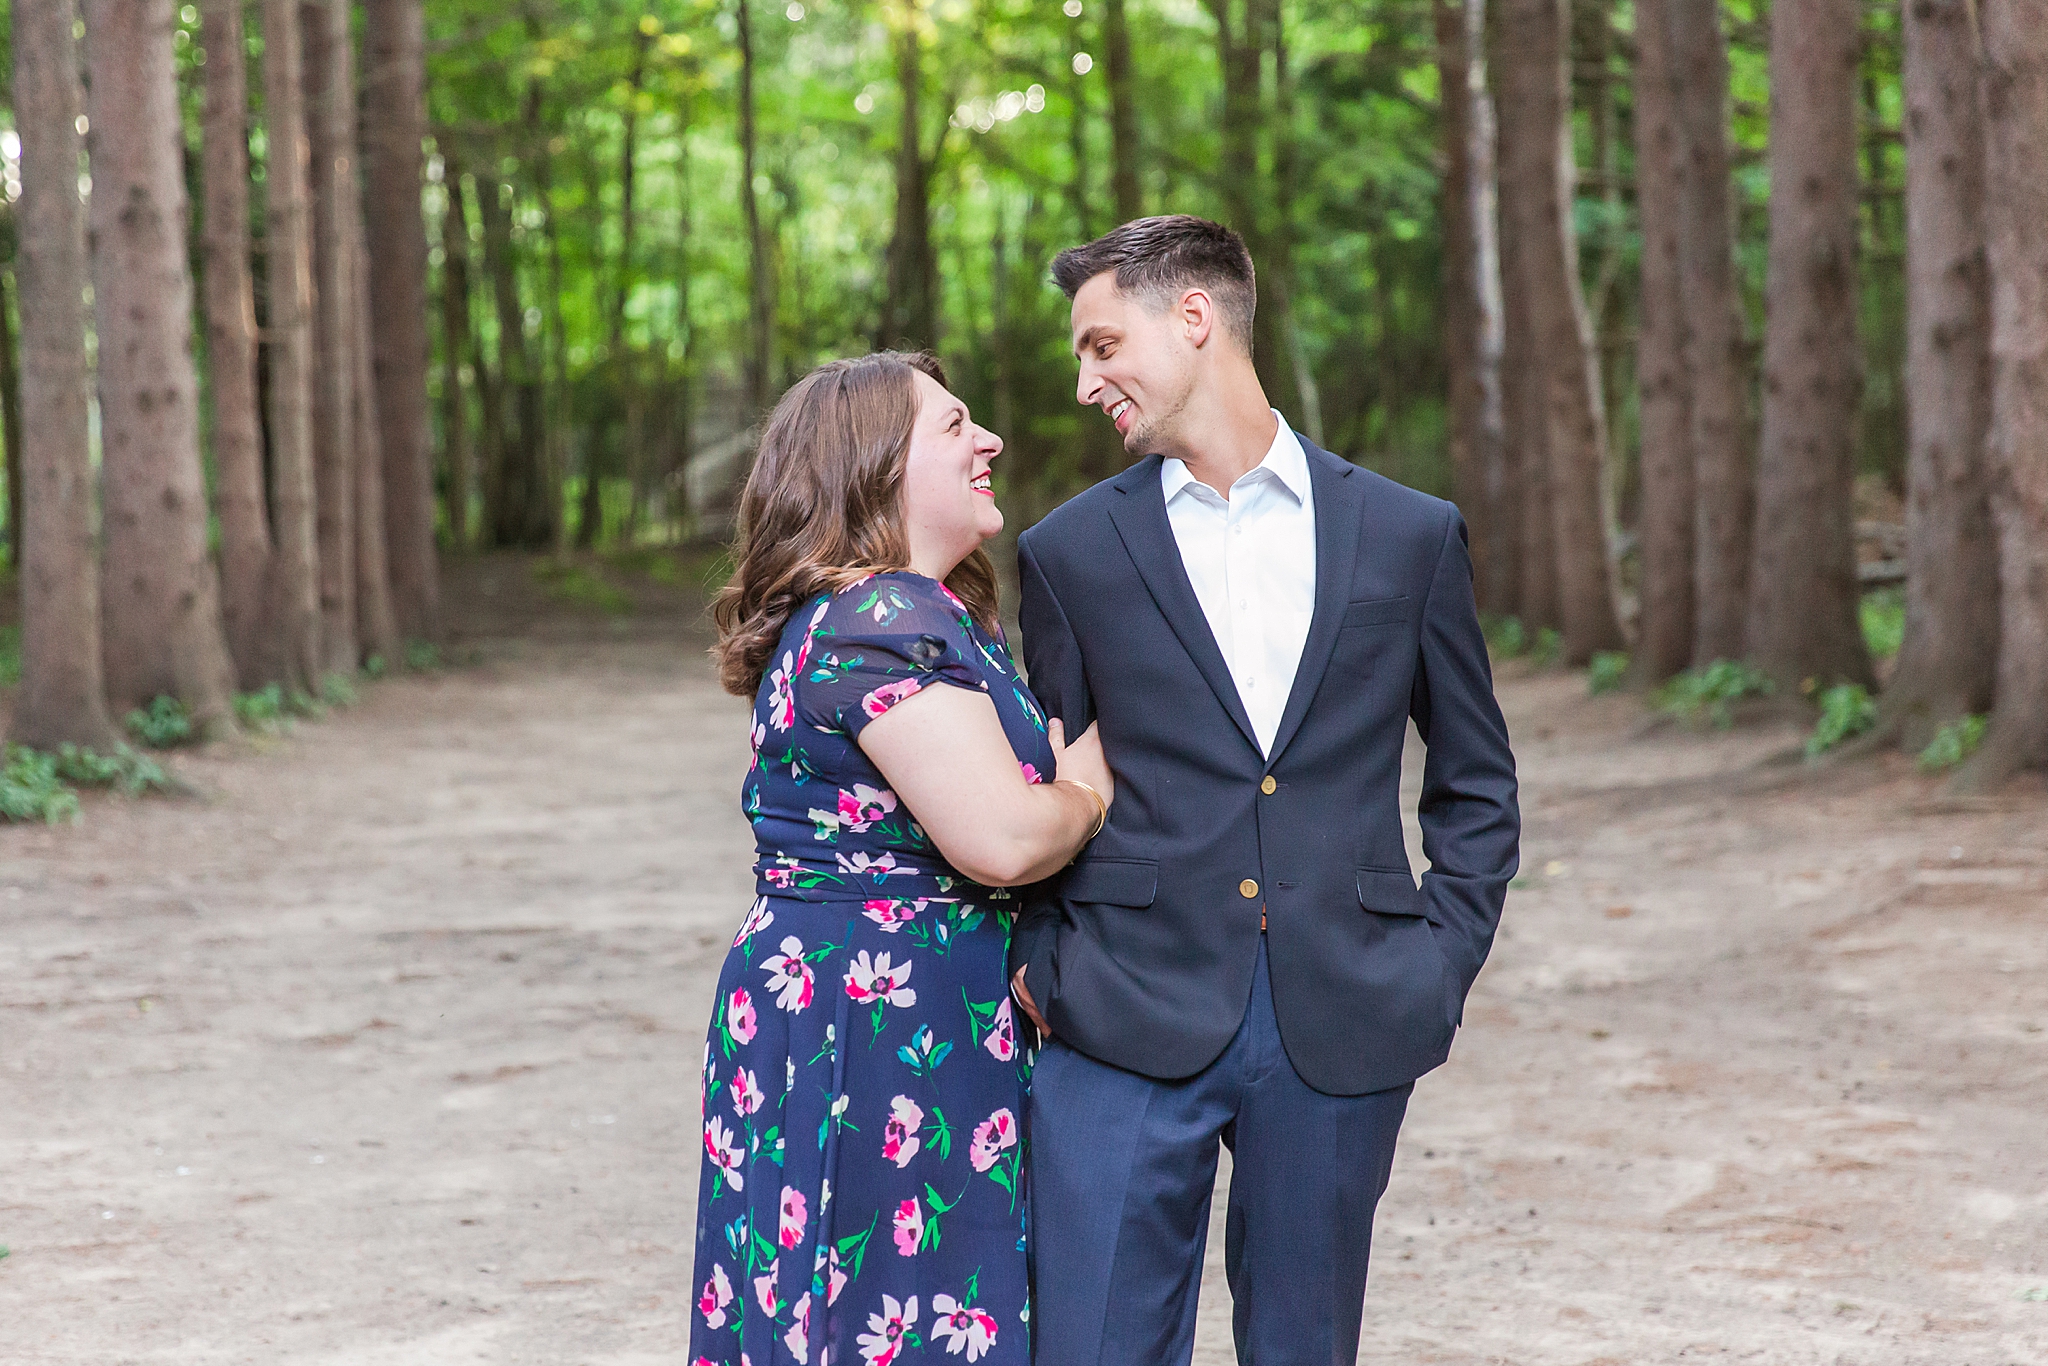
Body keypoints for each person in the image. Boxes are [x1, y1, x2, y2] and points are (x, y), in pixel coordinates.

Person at [1010, 216, 1520, 1365]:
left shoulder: (1407, 535)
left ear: (1191, 318)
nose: (1084, 380)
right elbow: (1054, 771)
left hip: (1339, 1015)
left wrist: (1434, 960)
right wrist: (1044, 960)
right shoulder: (1068, 553)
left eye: (1100, 345)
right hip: (1118, 1011)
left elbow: (1475, 781)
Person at [691, 351, 1112, 1366]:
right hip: (877, 1022)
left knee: (857, 1306)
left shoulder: (911, 611)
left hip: (864, 1007)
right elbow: (1003, 838)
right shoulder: (884, 615)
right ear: (875, 465)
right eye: (953, 425)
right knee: (896, 1307)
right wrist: (1087, 789)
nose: (989, 441)